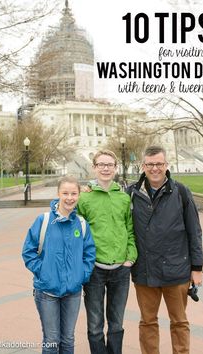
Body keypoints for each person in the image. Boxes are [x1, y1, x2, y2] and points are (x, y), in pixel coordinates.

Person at [127, 145, 203, 354]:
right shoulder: (131, 193)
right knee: (148, 321)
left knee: (179, 321)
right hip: (145, 270)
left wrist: (197, 267)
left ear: (166, 165)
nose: (154, 168)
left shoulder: (181, 192)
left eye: (159, 164)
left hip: (176, 270)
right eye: (150, 164)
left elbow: (194, 231)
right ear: (143, 166)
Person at [22, 176, 95, 354]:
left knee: (68, 339)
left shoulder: (82, 224)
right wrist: (43, 272)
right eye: (65, 193)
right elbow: (28, 251)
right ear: (58, 194)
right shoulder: (44, 220)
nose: (69, 198)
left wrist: (81, 275)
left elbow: (89, 253)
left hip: (73, 292)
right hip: (47, 291)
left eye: (73, 193)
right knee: (52, 339)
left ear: (78, 195)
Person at [78, 149, 138, 354]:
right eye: (101, 164)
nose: (105, 168)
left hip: (121, 269)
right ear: (94, 167)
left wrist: (130, 257)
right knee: (95, 324)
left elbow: (130, 229)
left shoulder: (123, 198)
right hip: (94, 269)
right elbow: (74, 229)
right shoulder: (83, 199)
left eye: (109, 165)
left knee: (116, 323)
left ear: (115, 168)